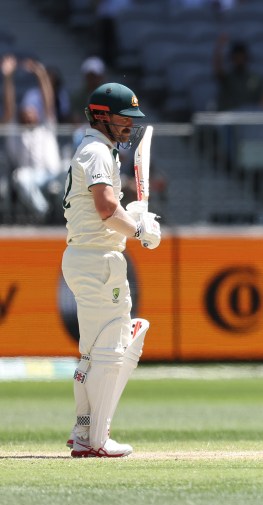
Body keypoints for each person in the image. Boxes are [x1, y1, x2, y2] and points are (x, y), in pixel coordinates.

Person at [61, 82, 162, 458]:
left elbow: (104, 210)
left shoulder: (97, 150)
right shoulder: (97, 152)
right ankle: (96, 441)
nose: (129, 126)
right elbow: (105, 208)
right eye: (124, 118)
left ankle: (83, 430)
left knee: (94, 351)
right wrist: (138, 231)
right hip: (98, 260)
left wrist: (131, 214)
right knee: (111, 347)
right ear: (101, 116)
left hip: (90, 256)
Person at [1, 55, 63, 222]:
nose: (28, 111)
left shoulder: (46, 126)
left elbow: (48, 101)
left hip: (53, 174)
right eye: (25, 110)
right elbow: (8, 107)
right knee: (20, 176)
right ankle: (44, 212)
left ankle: (71, 218)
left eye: (33, 109)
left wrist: (41, 74)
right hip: (31, 176)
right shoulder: (16, 133)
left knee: (70, 173)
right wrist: (8, 77)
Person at [213, 35, 263, 111]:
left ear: (246, 58)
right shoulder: (227, 78)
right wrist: (220, 47)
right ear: (232, 59)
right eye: (236, 57)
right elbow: (218, 70)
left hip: (248, 117)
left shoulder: (255, 78)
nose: (239, 60)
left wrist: (262, 109)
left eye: (241, 57)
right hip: (230, 117)